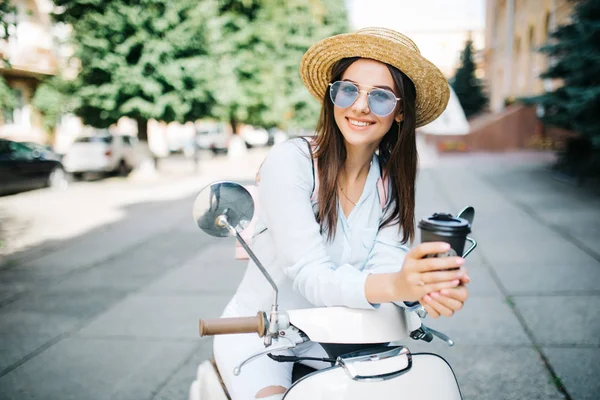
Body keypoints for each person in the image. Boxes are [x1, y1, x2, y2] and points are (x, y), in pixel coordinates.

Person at [213, 27, 471, 400]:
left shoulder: (391, 182)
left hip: (343, 334)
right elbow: (310, 275)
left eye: (381, 97)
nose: (361, 106)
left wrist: (424, 289)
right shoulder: (292, 162)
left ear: (400, 113)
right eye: (348, 90)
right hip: (261, 336)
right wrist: (400, 284)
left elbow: (388, 270)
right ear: (332, 96)